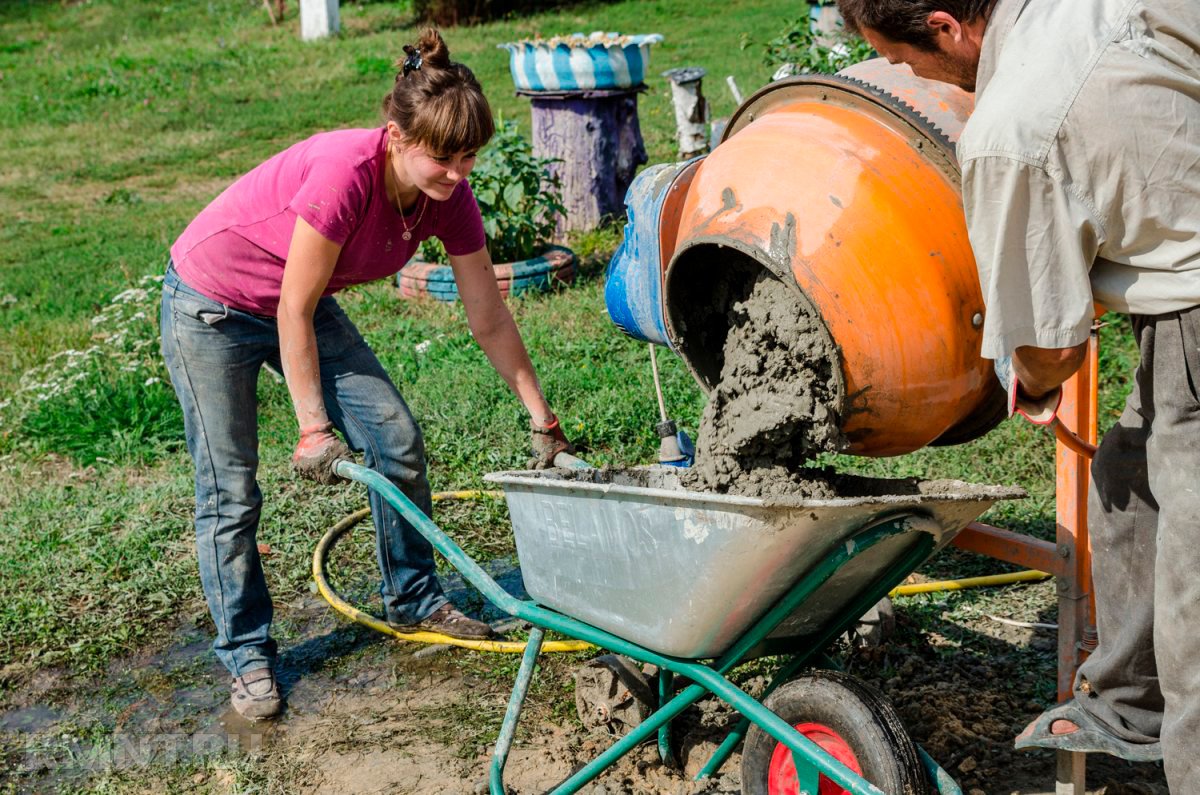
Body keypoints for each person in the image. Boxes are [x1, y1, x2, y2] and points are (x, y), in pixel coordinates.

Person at [835, 0, 1200, 787]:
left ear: (942, 27)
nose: (906, 76)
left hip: (1193, 313)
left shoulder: (1011, 126)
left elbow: (1049, 344)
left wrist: (1028, 382)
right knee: (1127, 472)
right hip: (1176, 308)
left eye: (901, 61)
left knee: (1196, 604)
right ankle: (1133, 698)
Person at [160, 28, 572, 720]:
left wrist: (543, 416)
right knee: (231, 491)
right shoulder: (345, 173)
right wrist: (312, 427)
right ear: (397, 137)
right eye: (443, 157)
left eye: (469, 157)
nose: (457, 174)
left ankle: (414, 598)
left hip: (300, 297)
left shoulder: (449, 194)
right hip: (214, 302)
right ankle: (247, 652)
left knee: (395, 438)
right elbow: (289, 308)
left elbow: (489, 315)